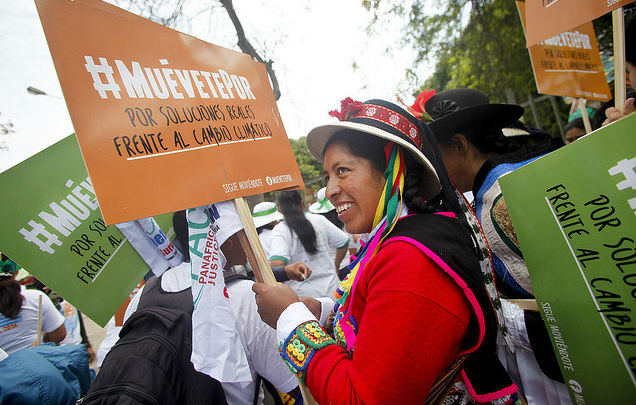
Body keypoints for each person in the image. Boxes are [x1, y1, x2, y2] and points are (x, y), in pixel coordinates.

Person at [252, 98, 518, 404]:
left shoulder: (412, 259)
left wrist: (292, 318)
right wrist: (323, 313)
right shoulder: (398, 239)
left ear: (392, 170)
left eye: (343, 170)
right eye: (327, 177)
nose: (329, 190)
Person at [421, 88, 570, 404]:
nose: (437, 169)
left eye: (439, 157)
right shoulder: (538, 166)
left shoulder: (497, 200)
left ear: (460, 146)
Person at [122, 208, 299, 405]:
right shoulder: (248, 298)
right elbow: (293, 384)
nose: (250, 235)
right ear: (228, 242)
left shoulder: (145, 293)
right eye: (243, 229)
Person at [269, 190, 350, 298]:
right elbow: (344, 241)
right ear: (302, 204)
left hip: (305, 298)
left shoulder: (281, 230)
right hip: (332, 291)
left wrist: (287, 271)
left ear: (281, 209)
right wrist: (336, 265)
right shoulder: (318, 220)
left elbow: (276, 264)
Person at [0, 262, 66, 355]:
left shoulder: (35, 297)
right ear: (16, 272)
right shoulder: (36, 297)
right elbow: (59, 334)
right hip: (41, 361)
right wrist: (41, 341)